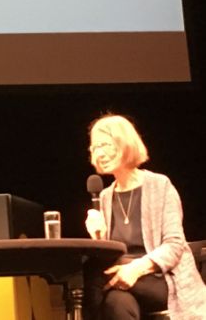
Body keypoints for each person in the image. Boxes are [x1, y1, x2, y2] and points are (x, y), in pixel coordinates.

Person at [83, 114, 206, 319]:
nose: (99, 153)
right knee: (116, 302)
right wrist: (98, 237)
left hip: (161, 278)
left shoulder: (159, 185)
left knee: (93, 275)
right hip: (121, 281)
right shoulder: (105, 196)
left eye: (105, 145)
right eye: (94, 148)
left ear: (125, 143)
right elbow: (108, 258)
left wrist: (135, 269)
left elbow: (174, 245)